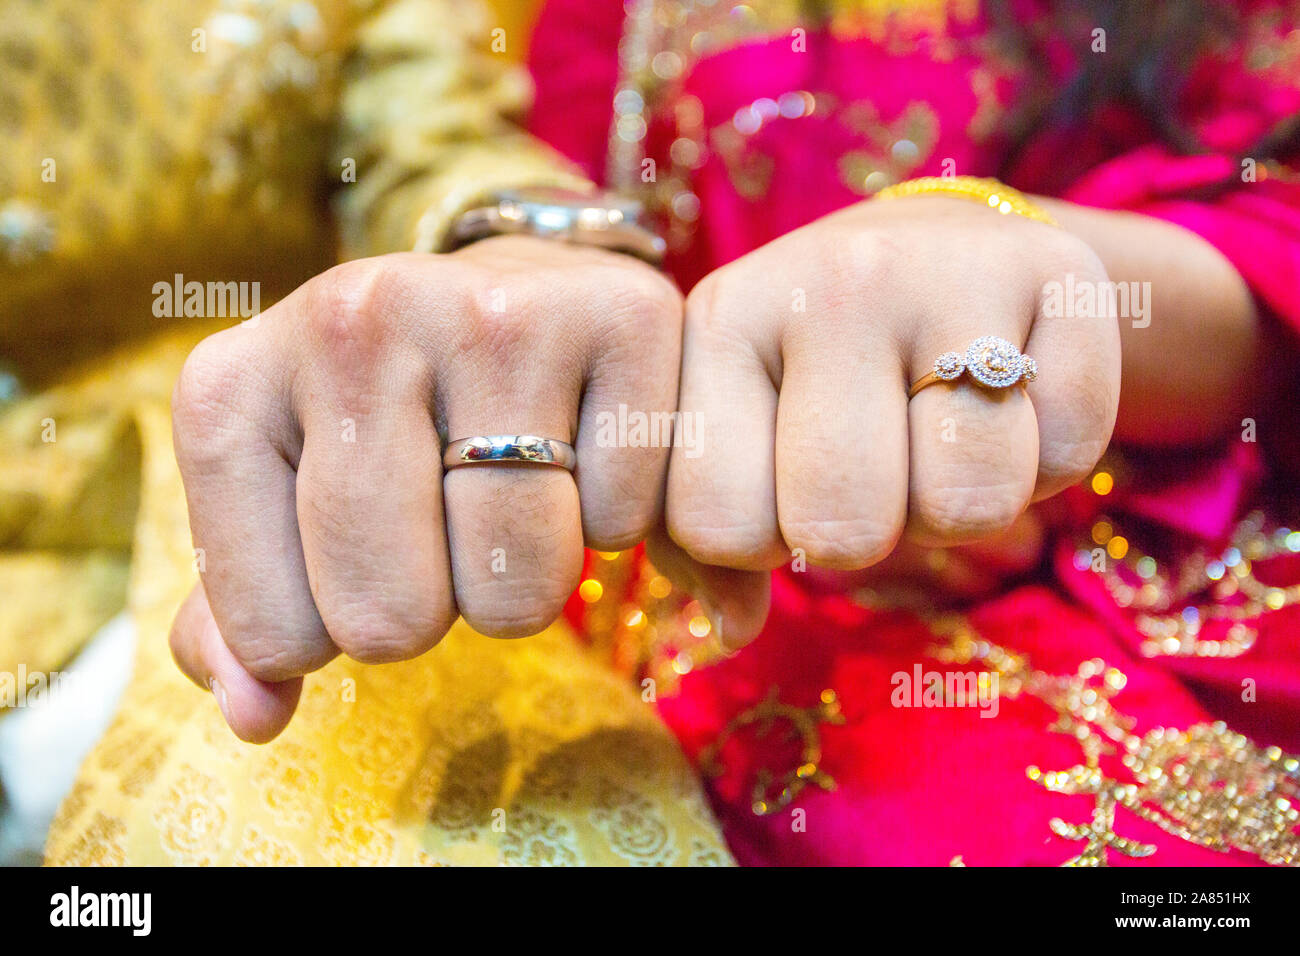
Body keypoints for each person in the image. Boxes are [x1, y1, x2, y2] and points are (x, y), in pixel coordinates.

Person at [29, 0, 1300, 866]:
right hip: (667, 556)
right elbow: (527, 196)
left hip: (1172, 521)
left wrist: (1028, 275)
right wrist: (518, 287)